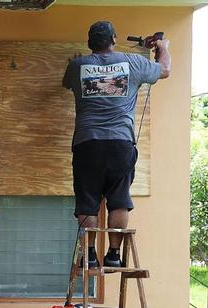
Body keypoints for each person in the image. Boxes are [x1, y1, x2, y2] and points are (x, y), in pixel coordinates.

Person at [62, 21, 171, 267]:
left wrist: (77, 64)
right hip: (121, 143)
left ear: (90, 42)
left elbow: (66, 83)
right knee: (119, 199)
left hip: (87, 143)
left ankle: (89, 256)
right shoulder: (133, 63)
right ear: (113, 39)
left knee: (87, 200)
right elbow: (164, 69)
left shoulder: (78, 65)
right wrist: (162, 47)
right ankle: (113, 256)